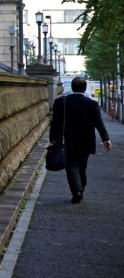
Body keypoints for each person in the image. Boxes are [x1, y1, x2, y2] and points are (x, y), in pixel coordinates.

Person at [50, 76, 113, 204]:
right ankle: (81, 187)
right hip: (87, 141)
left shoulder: (61, 102)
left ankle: (76, 191)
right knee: (82, 166)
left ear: (72, 87)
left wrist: (53, 139)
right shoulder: (92, 104)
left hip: (68, 140)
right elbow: (99, 124)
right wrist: (106, 139)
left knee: (71, 165)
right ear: (85, 89)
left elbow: (55, 123)